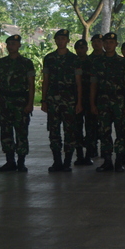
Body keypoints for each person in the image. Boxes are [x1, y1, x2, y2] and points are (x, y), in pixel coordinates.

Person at [41, 29, 83, 172]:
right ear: (55, 40)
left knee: (69, 131)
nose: (61, 41)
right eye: (58, 38)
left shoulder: (74, 59)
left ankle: (67, 162)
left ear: (67, 41)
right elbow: (45, 81)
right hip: (53, 99)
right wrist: (44, 100)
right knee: (53, 131)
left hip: (69, 99)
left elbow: (78, 82)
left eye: (63, 39)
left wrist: (79, 102)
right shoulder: (49, 58)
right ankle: (57, 161)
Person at [0, 34, 35, 172]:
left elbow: (31, 84)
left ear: (19, 46)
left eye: (14, 44)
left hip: (21, 102)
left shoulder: (26, 63)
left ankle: (21, 162)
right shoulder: (1, 63)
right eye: (9, 44)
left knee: (21, 132)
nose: (11, 46)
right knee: (5, 132)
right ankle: (10, 161)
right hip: (4, 101)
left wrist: (30, 103)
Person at [90, 32, 125, 172]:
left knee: (121, 132)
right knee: (104, 132)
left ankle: (119, 161)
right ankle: (107, 161)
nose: (108, 45)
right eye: (106, 42)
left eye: (111, 42)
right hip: (102, 101)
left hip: (119, 101)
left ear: (116, 44)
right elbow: (93, 84)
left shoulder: (122, 62)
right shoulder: (97, 62)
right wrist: (93, 104)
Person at [73, 38, 95, 166]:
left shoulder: (91, 62)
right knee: (77, 128)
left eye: (83, 48)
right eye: (78, 48)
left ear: (87, 49)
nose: (80, 50)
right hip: (74, 99)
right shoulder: (72, 62)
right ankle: (79, 154)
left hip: (89, 98)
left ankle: (89, 155)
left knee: (90, 128)